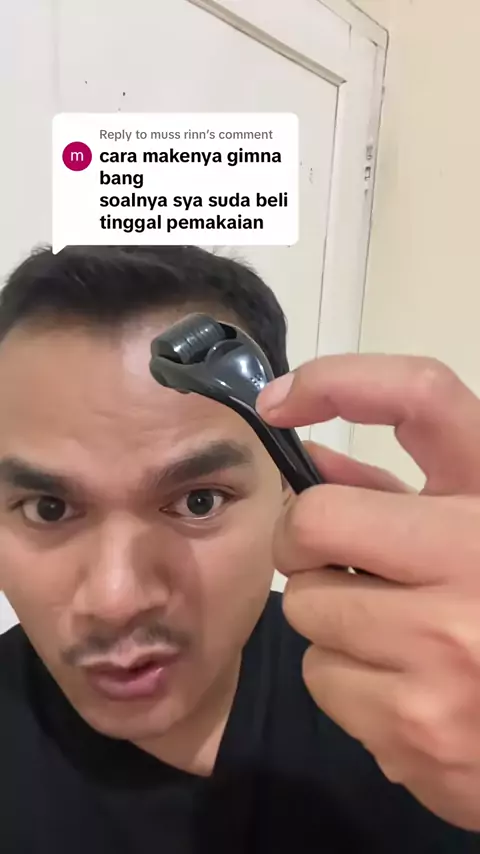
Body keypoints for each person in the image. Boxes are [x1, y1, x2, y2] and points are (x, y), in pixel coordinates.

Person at [0, 244, 478, 854]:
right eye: (48, 508)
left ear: (287, 482)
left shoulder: (438, 711)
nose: (116, 600)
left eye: (199, 501)